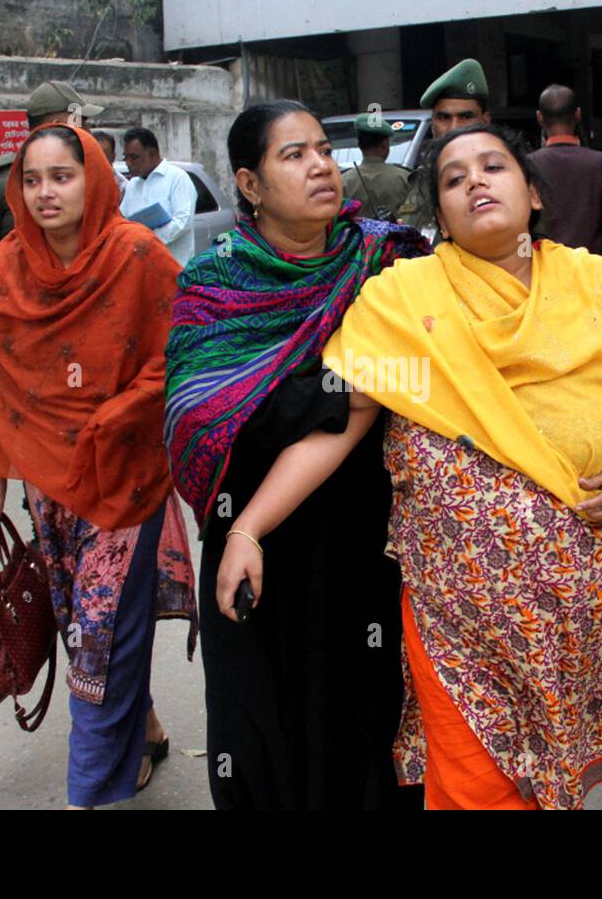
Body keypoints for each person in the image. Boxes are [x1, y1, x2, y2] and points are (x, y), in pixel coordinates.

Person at [208, 122, 602, 810]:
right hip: (457, 614)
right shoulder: (403, 301)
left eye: (493, 166)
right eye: (453, 177)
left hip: (578, 615)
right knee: (479, 791)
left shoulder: (598, 286)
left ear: (532, 192)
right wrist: (248, 529)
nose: (475, 181)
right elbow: (341, 422)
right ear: (437, 216)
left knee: (543, 791)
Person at [164, 100, 430, 810]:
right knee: (262, 724)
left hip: (370, 531)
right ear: (250, 185)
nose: (321, 166)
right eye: (294, 155)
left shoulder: (390, 255)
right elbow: (203, 415)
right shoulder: (215, 283)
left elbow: (448, 356)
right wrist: (343, 391)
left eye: (323, 149)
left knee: (369, 710)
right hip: (258, 533)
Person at [0, 124, 195, 809]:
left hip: (126, 480)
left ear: (93, 178)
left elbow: (182, 346)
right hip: (48, 485)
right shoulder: (6, 267)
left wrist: (121, 409)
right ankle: (146, 728)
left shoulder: (138, 254)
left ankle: (90, 795)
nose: (45, 193)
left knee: (95, 646)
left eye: (61, 176)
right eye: (31, 180)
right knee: (82, 627)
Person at [0, 81, 104, 263]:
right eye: (81, 123)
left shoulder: (89, 172)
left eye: (61, 178)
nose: (89, 132)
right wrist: (33, 257)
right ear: (56, 125)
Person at [528, 84, 602, 257]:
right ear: (577, 115)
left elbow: (517, 229)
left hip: (540, 275)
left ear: (540, 118)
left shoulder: (525, 168)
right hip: (590, 276)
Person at [398, 58, 492, 236]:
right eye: (444, 117)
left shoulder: (503, 179)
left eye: (466, 116)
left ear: (485, 120)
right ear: (433, 123)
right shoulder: (418, 182)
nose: (454, 128)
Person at [120, 127, 198, 266]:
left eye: (134, 157)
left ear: (152, 153)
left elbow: (182, 222)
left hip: (174, 268)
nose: (128, 163)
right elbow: (123, 220)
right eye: (126, 157)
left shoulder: (177, 178)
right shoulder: (132, 185)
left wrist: (149, 241)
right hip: (142, 270)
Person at [341, 114, 410, 222]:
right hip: (397, 237)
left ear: (359, 145)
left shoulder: (344, 181)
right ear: (385, 145)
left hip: (356, 239)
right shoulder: (404, 178)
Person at [90, 129, 129, 200]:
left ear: (113, 157)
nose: (99, 160)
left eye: (104, 155)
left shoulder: (123, 187)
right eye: (95, 155)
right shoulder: (79, 182)